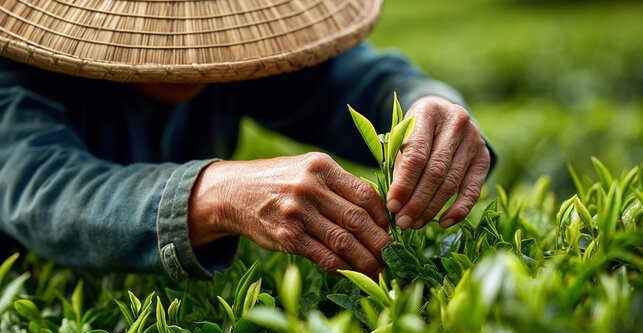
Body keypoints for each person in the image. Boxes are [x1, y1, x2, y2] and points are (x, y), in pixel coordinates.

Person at [0, 0, 494, 280]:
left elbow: (352, 81)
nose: (187, 49)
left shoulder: (236, 53)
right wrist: (212, 194)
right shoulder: (14, 70)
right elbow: (38, 184)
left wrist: (430, 106)